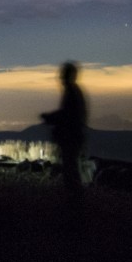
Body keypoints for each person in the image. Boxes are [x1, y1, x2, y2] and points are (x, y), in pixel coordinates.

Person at [40, 61, 88, 206]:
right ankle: (75, 202)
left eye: (62, 75)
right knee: (71, 169)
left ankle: (75, 203)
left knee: (70, 170)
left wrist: (50, 118)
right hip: (73, 136)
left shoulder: (71, 92)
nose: (60, 78)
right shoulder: (75, 91)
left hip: (70, 137)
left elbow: (67, 115)